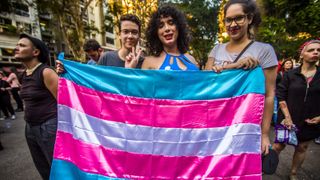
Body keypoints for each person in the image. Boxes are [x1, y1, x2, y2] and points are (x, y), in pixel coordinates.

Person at [204, 0, 278, 155]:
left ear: (249, 18)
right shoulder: (216, 49)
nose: (233, 24)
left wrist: (264, 134)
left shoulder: (264, 51)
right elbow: (205, 84)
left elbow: (269, 95)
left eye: (239, 18)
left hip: (245, 125)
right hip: (216, 124)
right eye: (228, 20)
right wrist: (233, 66)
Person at [272, 40, 320, 180]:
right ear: (302, 54)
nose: (316, 52)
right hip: (287, 119)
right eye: (311, 50)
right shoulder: (290, 75)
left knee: (302, 148)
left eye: (318, 50)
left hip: (310, 121)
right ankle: (266, 167)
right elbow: (281, 95)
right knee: (278, 146)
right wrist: (287, 117)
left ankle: (293, 173)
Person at [14, 33, 59, 180]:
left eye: (22, 45)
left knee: (55, 167)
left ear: (35, 52)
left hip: (48, 127)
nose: (17, 48)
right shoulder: (24, 75)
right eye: (17, 45)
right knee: (42, 167)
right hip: (30, 128)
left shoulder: (46, 72)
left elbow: (63, 103)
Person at [56, 14, 143, 73]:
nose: (130, 36)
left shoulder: (145, 63)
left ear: (139, 35)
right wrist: (67, 70)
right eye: (126, 31)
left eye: (134, 32)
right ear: (119, 35)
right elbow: (92, 81)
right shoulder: (106, 58)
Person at [126, 5, 198, 70]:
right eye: (161, 26)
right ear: (156, 33)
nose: (167, 29)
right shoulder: (149, 62)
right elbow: (139, 85)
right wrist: (129, 71)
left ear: (178, 27)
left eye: (171, 23)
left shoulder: (191, 59)